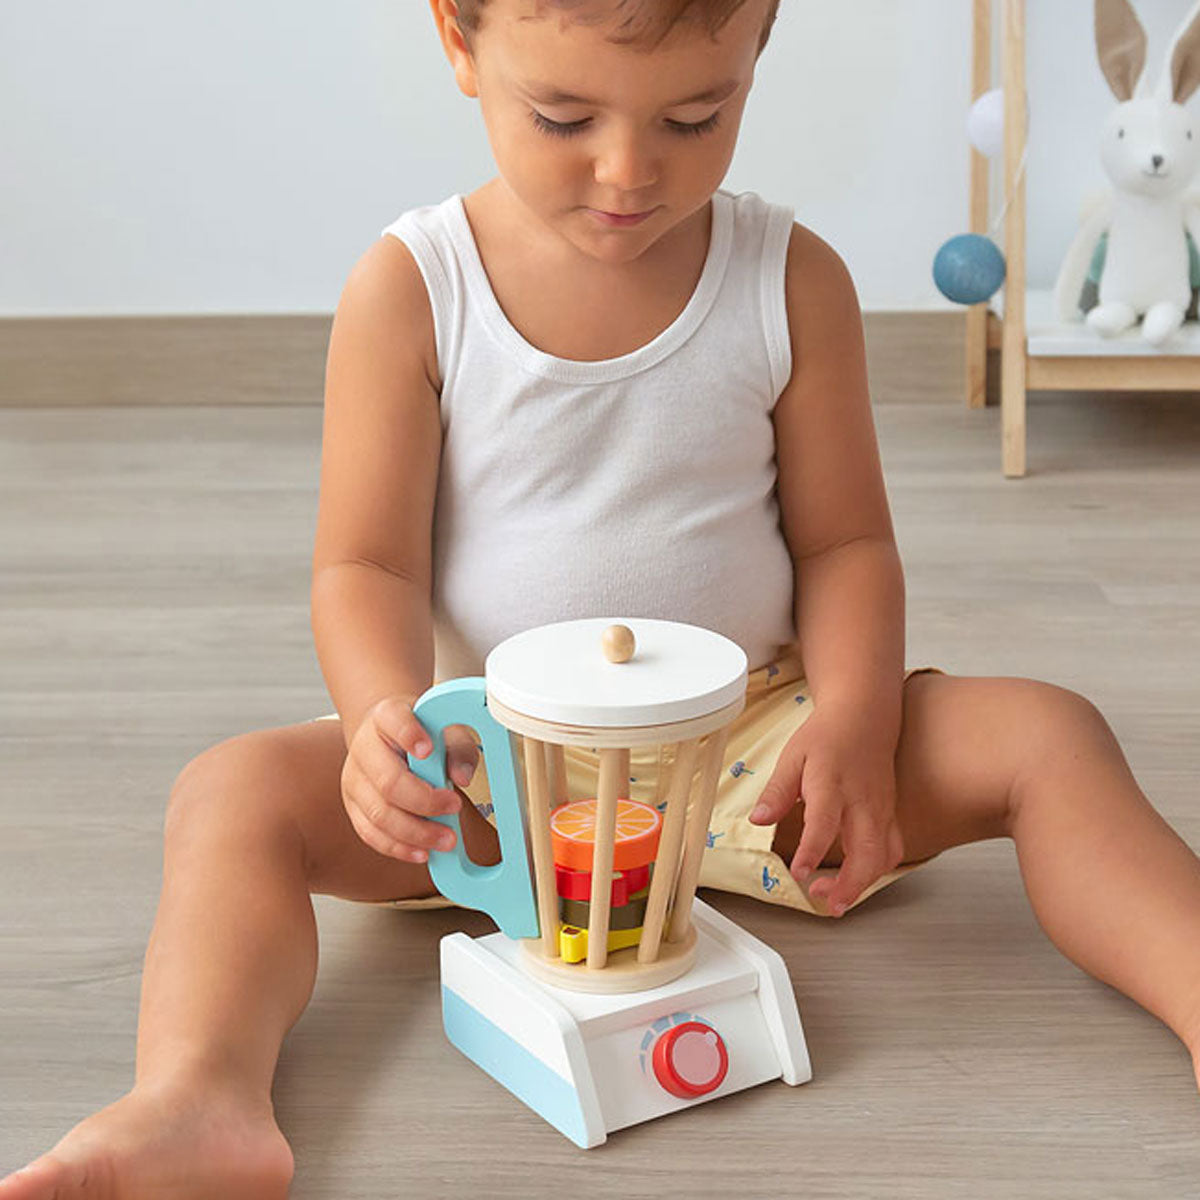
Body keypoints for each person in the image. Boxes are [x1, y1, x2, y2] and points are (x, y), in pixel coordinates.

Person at [4, 0, 1200, 1195]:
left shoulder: (793, 279)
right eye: (564, 116)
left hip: (746, 747)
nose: (631, 171)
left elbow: (845, 545)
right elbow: (364, 565)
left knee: (1051, 733)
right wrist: (387, 721)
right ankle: (199, 1098)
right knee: (227, 797)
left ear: (758, 52)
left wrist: (856, 720)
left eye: (697, 115)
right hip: (491, 769)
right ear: (459, 45)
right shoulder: (414, 289)